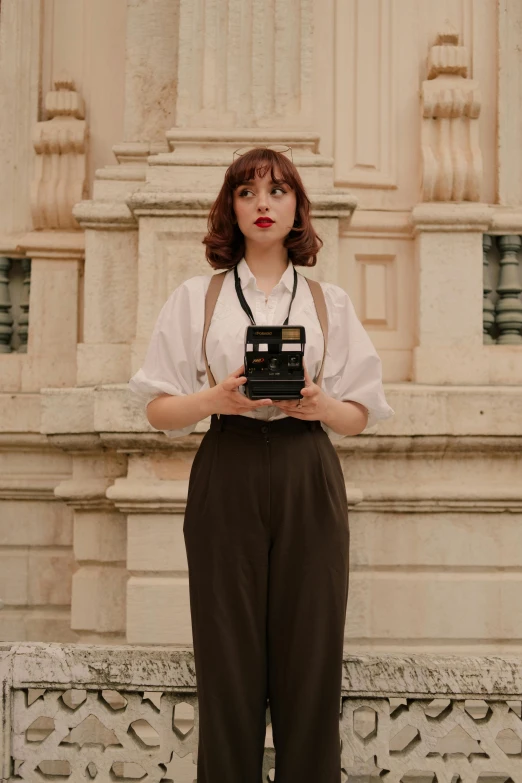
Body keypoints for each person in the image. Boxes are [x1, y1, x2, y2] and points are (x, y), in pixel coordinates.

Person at [128, 146, 394, 783]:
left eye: (277, 192)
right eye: (247, 193)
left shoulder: (329, 300)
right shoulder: (198, 298)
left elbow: (361, 413)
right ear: (230, 208)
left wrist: (320, 404)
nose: (263, 205)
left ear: (297, 206)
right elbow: (157, 409)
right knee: (227, 664)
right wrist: (216, 397)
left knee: (311, 663)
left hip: (308, 469)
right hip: (228, 460)